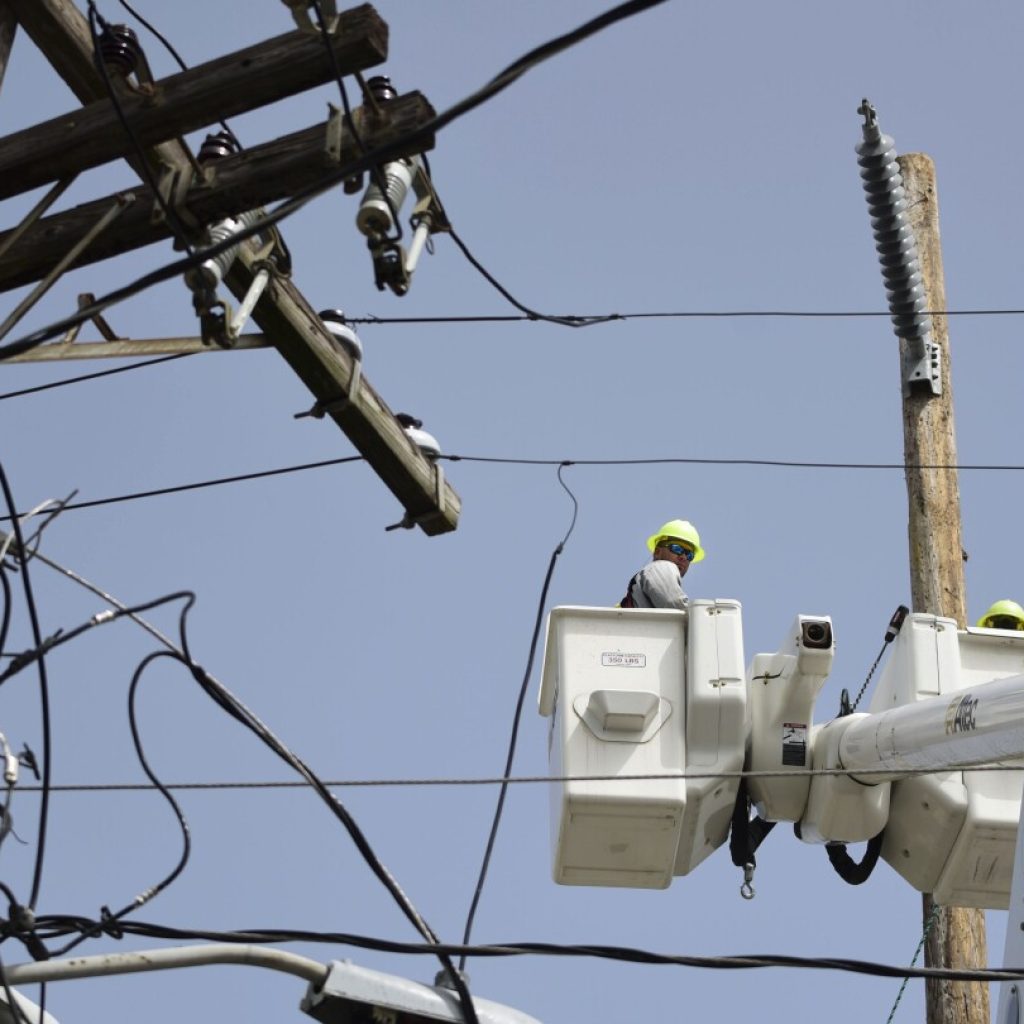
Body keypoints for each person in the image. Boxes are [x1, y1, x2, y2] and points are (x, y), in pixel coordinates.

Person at [619, 519, 705, 610]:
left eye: (689, 555)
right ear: (657, 552)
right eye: (677, 548)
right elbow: (672, 603)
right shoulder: (661, 567)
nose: (683, 557)